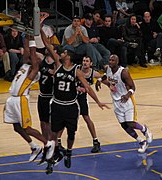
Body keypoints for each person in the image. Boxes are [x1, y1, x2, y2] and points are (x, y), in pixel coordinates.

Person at [41, 27, 109, 169]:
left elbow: (88, 88)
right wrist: (40, 27)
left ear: (69, 56)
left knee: (71, 133)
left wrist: (98, 101)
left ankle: (69, 152)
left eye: (64, 52)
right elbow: (47, 45)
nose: (61, 53)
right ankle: (53, 155)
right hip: (58, 105)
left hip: (71, 105)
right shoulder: (58, 65)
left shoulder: (76, 71)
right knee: (54, 132)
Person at [3, 34, 55, 163]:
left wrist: (32, 40)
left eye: (37, 58)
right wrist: (26, 36)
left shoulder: (34, 71)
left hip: (21, 100)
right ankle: (34, 147)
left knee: (27, 128)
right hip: (11, 99)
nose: (34, 57)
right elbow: (27, 52)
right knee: (16, 127)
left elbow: (31, 52)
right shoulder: (25, 65)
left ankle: (48, 143)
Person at [98, 54, 153, 153]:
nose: (110, 62)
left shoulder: (123, 72)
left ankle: (145, 130)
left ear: (117, 62)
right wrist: (99, 80)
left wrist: (127, 95)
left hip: (127, 101)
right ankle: (141, 142)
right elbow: (106, 76)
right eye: (110, 60)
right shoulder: (108, 69)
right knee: (124, 125)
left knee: (130, 123)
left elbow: (133, 87)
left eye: (113, 60)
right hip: (116, 102)